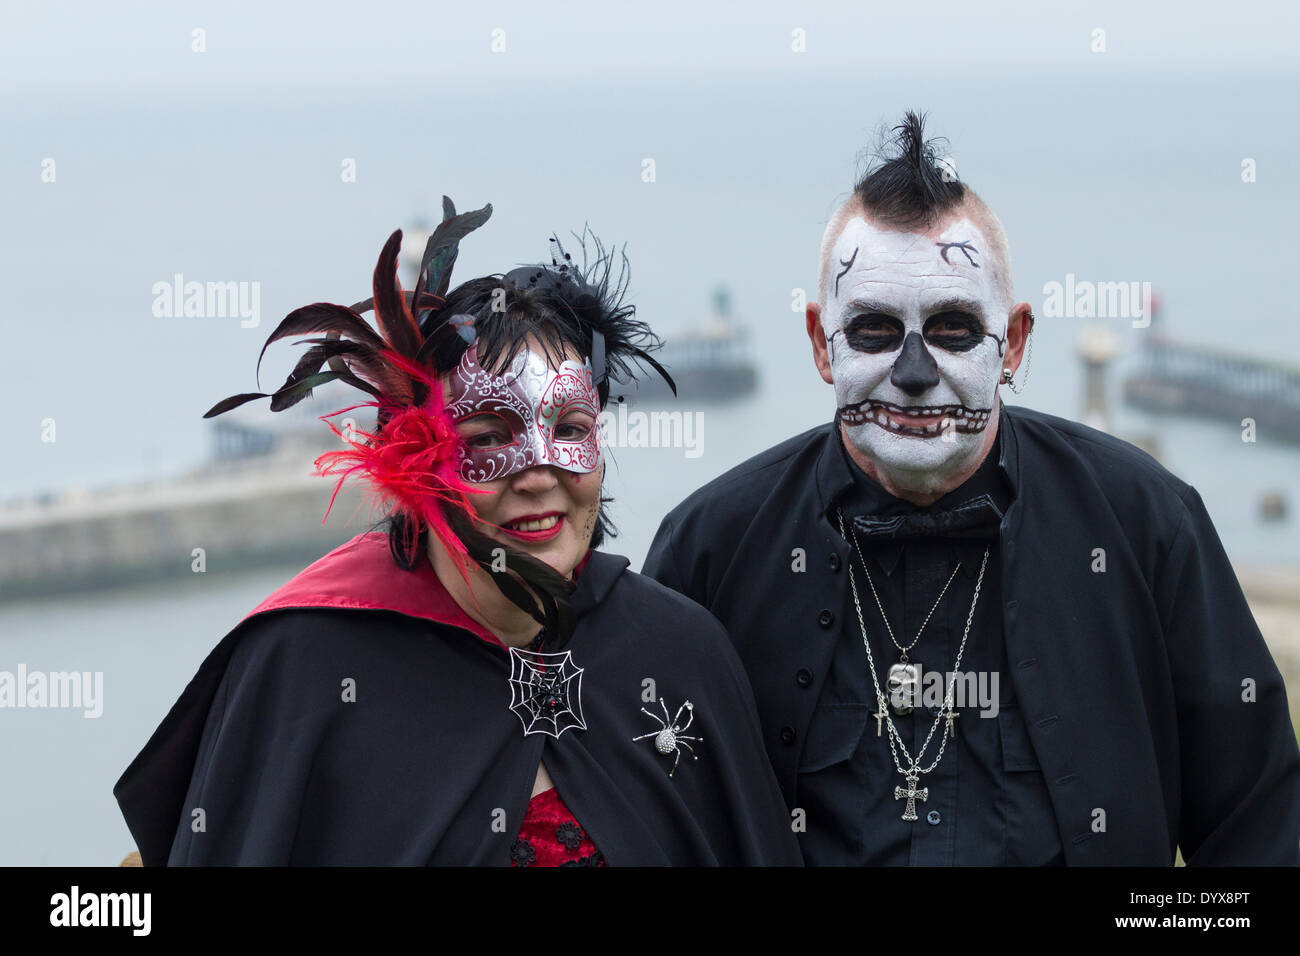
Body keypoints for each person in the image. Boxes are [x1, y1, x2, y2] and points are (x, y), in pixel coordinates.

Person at [642, 112, 1300, 865]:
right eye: (874, 331)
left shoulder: (1145, 528)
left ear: (1013, 341)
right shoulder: (714, 548)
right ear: (820, 343)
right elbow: (656, 820)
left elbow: (1259, 830)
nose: (915, 374)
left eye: (954, 328)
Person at [114, 199, 802, 866]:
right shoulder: (303, 668)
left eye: (568, 431)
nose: (538, 475)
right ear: (417, 459)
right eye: (487, 438)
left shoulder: (679, 654)